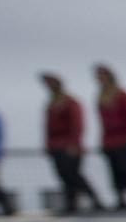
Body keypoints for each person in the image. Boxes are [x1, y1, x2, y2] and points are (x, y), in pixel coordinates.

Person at [41, 73, 104, 213]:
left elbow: (77, 125)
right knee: (63, 175)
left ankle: (95, 199)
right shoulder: (51, 104)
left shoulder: (71, 103)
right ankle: (71, 202)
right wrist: (48, 144)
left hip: (69, 146)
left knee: (74, 174)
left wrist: (74, 144)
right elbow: (47, 127)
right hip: (56, 146)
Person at [95, 64, 126, 210]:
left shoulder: (122, 95)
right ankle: (120, 198)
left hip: (124, 139)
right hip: (110, 141)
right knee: (114, 170)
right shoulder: (100, 97)